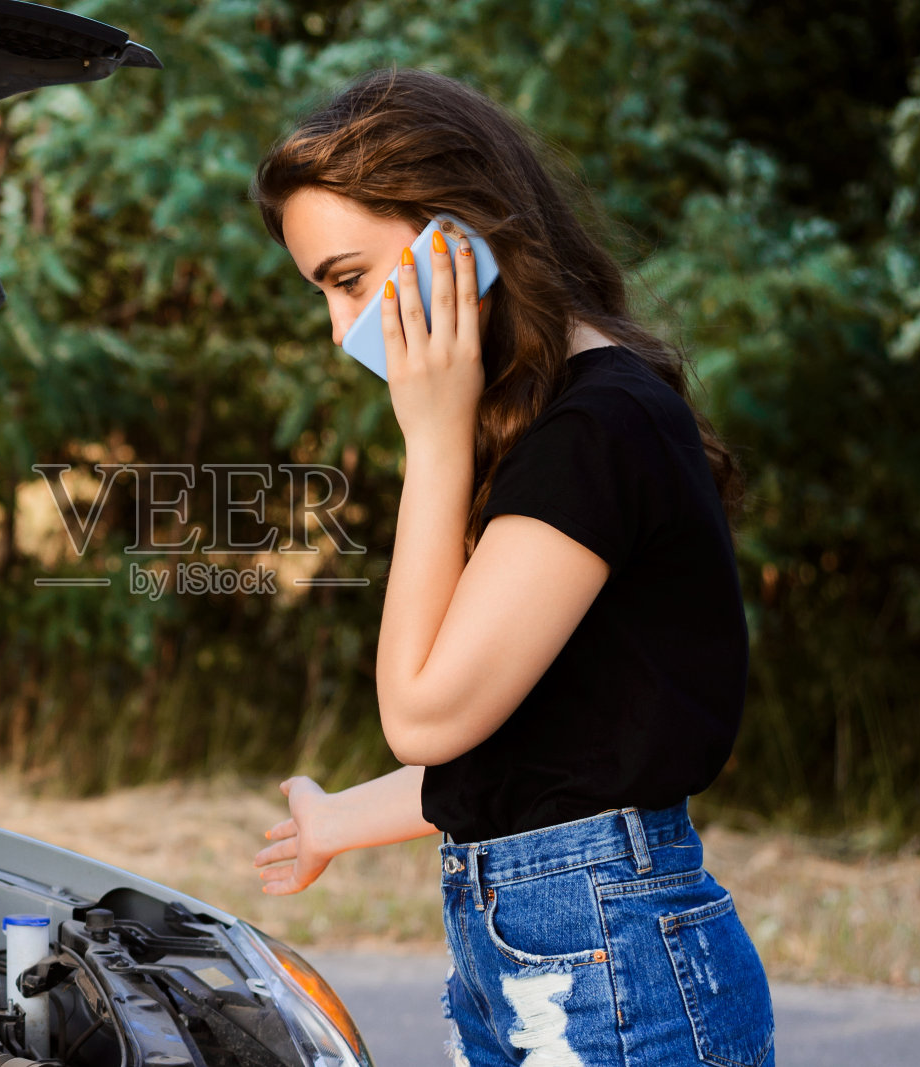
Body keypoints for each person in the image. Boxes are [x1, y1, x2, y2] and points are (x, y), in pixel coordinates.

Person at [248, 69, 776, 1067]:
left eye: (348, 278)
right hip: (541, 948)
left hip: (609, 961)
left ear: (459, 234)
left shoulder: (600, 427)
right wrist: (333, 821)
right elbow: (538, 756)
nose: (336, 329)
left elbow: (424, 714)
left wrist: (433, 441)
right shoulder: (555, 432)